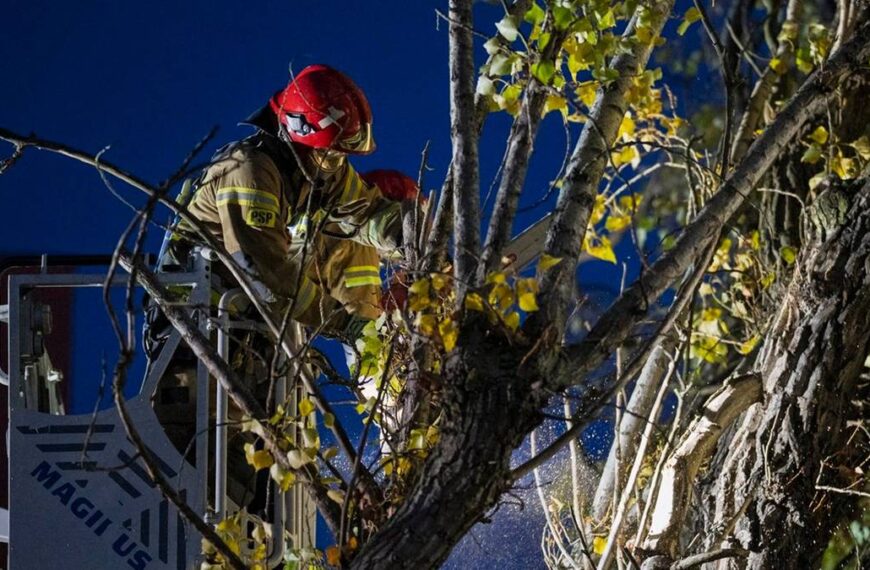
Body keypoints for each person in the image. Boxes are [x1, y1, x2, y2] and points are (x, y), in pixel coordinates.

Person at [145, 65, 421, 503]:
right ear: (297, 131)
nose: (336, 164)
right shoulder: (248, 170)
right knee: (203, 468)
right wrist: (343, 323)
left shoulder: (315, 168)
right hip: (195, 334)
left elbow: (366, 213)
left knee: (253, 480)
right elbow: (263, 269)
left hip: (244, 332)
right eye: (329, 153)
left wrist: (420, 235)